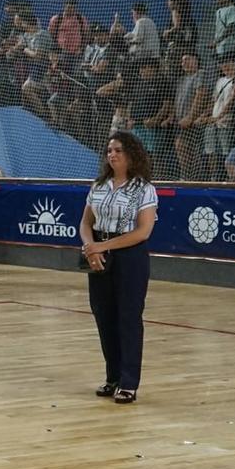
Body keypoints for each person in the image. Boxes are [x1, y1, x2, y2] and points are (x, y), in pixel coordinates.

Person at [79, 131, 157, 405]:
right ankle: (112, 376)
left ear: (131, 155)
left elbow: (143, 231)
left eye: (118, 150)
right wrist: (91, 248)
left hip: (129, 258)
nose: (112, 155)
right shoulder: (99, 185)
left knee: (128, 318)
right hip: (98, 257)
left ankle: (129, 382)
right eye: (109, 150)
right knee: (104, 317)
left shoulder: (143, 189)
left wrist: (103, 246)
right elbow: (86, 223)